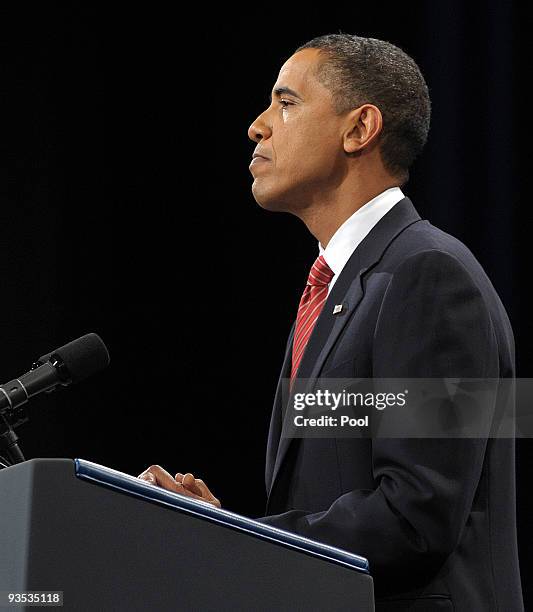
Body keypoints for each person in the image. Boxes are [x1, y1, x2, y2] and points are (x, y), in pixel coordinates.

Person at [138, 34, 523, 610]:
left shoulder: (432, 277)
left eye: (286, 103)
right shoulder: (339, 286)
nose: (257, 125)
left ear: (359, 129)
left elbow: (417, 515)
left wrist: (241, 538)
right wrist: (230, 529)